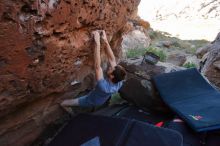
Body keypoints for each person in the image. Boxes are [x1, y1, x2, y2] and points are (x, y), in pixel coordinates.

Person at [61, 30, 126, 108]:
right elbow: (112, 59)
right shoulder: (119, 80)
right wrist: (105, 41)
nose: (110, 67)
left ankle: (64, 107)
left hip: (92, 100)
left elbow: (97, 66)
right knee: (94, 91)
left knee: (68, 103)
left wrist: (97, 43)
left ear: (112, 76)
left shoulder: (104, 87)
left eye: (111, 69)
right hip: (100, 96)